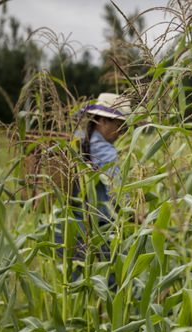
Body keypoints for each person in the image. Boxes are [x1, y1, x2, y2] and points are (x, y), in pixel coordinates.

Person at [57, 92, 130, 283]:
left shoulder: (76, 140)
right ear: (103, 121)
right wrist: (135, 212)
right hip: (94, 229)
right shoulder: (104, 150)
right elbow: (119, 193)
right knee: (118, 279)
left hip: (65, 229)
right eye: (119, 125)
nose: (121, 132)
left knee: (73, 291)